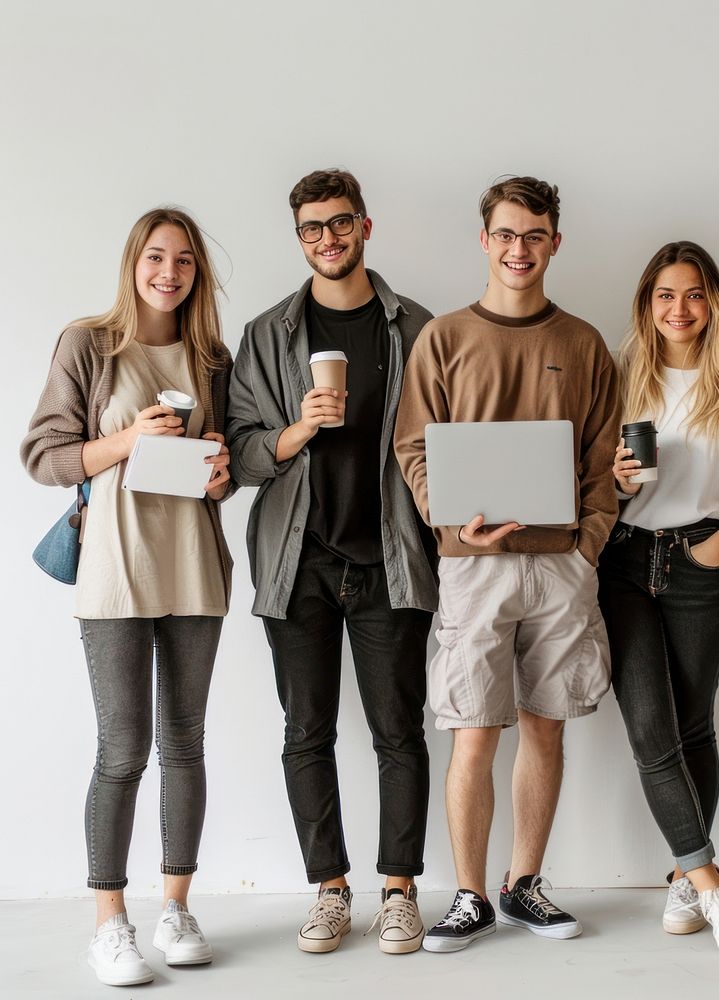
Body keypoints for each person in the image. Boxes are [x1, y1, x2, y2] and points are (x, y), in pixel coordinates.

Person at [394, 175, 620, 952]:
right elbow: (414, 447)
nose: (519, 250)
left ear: (554, 242)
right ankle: (467, 896)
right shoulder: (445, 338)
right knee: (472, 733)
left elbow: (602, 457)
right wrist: (452, 522)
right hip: (473, 567)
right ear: (484, 241)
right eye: (506, 235)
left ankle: (524, 887)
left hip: (561, 568)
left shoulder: (584, 342)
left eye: (534, 235)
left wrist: (587, 544)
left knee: (545, 730)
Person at [226, 169, 437, 956]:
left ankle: (398, 890)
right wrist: (297, 430)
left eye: (340, 223)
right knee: (305, 731)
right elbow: (242, 455)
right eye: (312, 228)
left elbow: (443, 441)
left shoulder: (415, 326)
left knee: (397, 730)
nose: (328, 238)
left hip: (390, 559)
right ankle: (329, 888)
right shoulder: (267, 333)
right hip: (298, 561)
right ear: (300, 237)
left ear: (366, 227)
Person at [21, 208, 234, 987]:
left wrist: (223, 476)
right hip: (114, 570)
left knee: (186, 742)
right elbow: (43, 456)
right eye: (155, 256)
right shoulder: (90, 343)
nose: (169, 272)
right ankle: (110, 923)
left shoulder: (211, 355)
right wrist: (126, 444)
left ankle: (177, 907)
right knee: (122, 750)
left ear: (197, 273)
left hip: (192, 566)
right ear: (133, 262)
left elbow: (228, 460)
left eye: (183, 260)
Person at [598, 241, 719, 957]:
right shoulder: (621, 375)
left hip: (706, 558)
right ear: (647, 304)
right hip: (627, 562)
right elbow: (592, 485)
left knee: (693, 726)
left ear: (713, 303)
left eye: (694, 294)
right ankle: (712, 881)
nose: (679, 309)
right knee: (649, 730)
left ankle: (680, 872)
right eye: (665, 295)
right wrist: (615, 480)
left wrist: (709, 551)